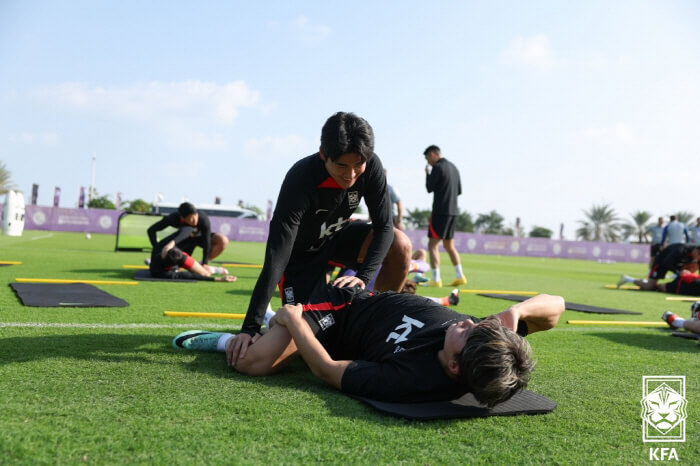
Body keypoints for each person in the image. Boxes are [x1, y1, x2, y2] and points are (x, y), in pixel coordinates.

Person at [173, 284, 564, 406]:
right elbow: (557, 307)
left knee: (253, 363)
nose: (466, 322)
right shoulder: (489, 341)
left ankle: (225, 341)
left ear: (455, 367)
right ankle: (286, 323)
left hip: (341, 320)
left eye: (465, 332)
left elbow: (327, 370)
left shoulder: (411, 380)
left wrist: (293, 319)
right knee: (276, 349)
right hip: (352, 301)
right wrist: (516, 312)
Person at [229, 112, 412, 367]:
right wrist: (249, 326)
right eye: (341, 167)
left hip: (338, 239)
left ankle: (375, 321)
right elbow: (278, 254)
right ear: (323, 154)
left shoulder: (371, 167)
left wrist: (362, 278)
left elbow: (384, 229)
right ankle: (247, 331)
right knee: (298, 350)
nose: (350, 176)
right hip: (301, 257)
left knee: (401, 244)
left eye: (357, 166)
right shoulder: (301, 178)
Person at [423, 145, 465, 288]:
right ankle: (460, 276)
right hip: (453, 211)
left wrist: (428, 174)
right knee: (449, 245)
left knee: (432, 245)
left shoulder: (438, 167)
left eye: (428, 158)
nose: (428, 162)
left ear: (433, 154)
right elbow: (459, 191)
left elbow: (429, 188)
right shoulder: (454, 168)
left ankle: (436, 279)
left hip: (440, 211)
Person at [147, 202, 228, 265]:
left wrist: (205, 263)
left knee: (223, 240)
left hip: (200, 239)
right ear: (182, 218)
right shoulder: (173, 218)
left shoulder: (203, 219)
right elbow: (151, 230)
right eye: (191, 218)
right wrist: (156, 247)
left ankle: (201, 264)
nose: (195, 220)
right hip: (183, 241)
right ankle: (161, 262)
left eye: (195, 216)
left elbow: (206, 241)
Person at [148, 231, 236, 282]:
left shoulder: (176, 253)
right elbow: (187, 275)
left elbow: (185, 230)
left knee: (205, 273)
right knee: (205, 274)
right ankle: (213, 269)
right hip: (173, 262)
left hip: (179, 256)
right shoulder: (159, 272)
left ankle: (210, 268)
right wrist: (219, 279)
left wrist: (172, 243)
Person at [617, 244, 700, 291]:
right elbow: (667, 262)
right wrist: (678, 273)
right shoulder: (681, 250)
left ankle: (650, 282)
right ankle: (627, 279)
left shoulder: (694, 257)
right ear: (695, 249)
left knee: (695, 264)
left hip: (675, 265)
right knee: (648, 287)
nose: (698, 256)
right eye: (699, 253)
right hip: (661, 262)